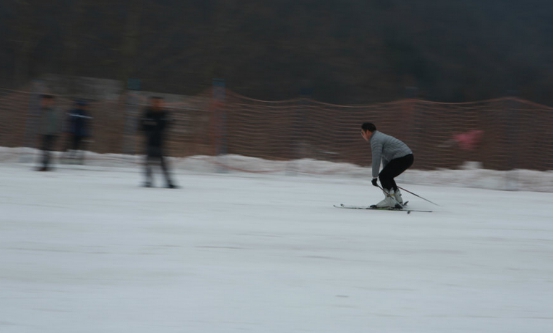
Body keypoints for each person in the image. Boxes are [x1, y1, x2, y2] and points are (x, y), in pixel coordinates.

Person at [361, 122, 414, 208]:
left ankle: (389, 200)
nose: (362, 136)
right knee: (387, 176)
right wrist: (384, 172)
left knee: (383, 176)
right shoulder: (379, 137)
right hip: (408, 157)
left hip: (403, 157)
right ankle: (397, 199)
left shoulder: (375, 139)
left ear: (367, 132)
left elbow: (376, 158)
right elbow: (384, 157)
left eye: (362, 133)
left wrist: (375, 177)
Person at [139, 96, 177, 188]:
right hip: (150, 142)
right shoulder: (148, 113)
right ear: (152, 103)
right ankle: (148, 181)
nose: (158, 104)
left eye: (160, 103)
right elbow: (142, 126)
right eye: (155, 102)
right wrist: (149, 128)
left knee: (164, 164)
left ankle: (169, 182)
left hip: (160, 142)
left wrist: (170, 121)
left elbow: (169, 123)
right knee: (148, 163)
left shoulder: (165, 114)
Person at [37, 94, 61, 171]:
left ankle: (45, 166)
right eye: (43, 100)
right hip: (45, 132)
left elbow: (56, 123)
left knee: (46, 149)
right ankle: (46, 165)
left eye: (45, 100)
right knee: (45, 149)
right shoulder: (44, 110)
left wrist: (56, 133)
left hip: (50, 133)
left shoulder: (53, 111)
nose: (43, 102)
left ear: (51, 101)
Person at [63, 100, 92, 164]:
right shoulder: (74, 112)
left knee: (78, 145)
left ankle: (75, 156)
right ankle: (69, 155)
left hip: (81, 132)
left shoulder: (86, 114)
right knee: (71, 144)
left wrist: (89, 133)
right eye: (81, 106)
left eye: (84, 106)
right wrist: (67, 129)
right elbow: (69, 121)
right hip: (73, 132)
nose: (83, 107)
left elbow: (88, 124)